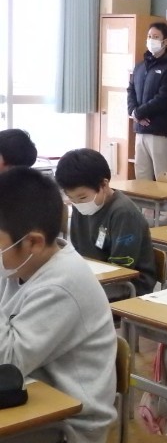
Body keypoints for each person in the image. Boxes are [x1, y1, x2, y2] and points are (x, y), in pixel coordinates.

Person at [0, 167, 117, 443]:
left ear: (33, 242)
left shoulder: (61, 284)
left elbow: (8, 364)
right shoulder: (18, 262)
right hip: (31, 392)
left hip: (69, 424)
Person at [55, 148, 156, 297]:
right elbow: (79, 252)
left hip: (128, 284)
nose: (77, 203)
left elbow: (121, 268)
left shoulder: (123, 213)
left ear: (104, 184)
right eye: (71, 198)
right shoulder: (80, 206)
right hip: (94, 277)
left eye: (82, 198)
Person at [127, 22, 167, 181]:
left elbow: (164, 97)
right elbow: (131, 90)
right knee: (141, 177)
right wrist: (134, 112)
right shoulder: (140, 66)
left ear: (166, 41)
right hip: (140, 130)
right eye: (149, 36)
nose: (151, 40)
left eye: (156, 37)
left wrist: (139, 113)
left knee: (163, 178)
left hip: (160, 131)